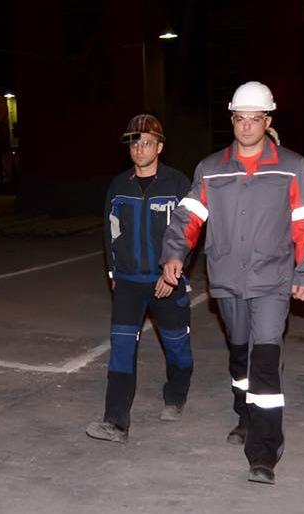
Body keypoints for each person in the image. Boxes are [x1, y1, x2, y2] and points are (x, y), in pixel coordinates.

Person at [160, 81, 304, 485]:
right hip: (228, 279)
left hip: (272, 280)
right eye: (239, 118)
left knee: (264, 358)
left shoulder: (291, 165)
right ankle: (245, 414)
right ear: (232, 119)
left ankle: (264, 451)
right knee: (240, 355)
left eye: (255, 118)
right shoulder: (211, 168)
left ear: (268, 121)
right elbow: (188, 217)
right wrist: (175, 253)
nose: (247, 126)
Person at [86, 114, 193, 443]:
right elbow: (110, 231)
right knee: (121, 348)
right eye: (134, 143)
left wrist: (173, 273)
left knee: (176, 347)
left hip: (167, 281)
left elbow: (189, 232)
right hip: (129, 283)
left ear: (159, 147)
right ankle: (116, 422)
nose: (139, 149)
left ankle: (175, 395)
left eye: (147, 143)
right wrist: (113, 272)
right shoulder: (119, 185)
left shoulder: (177, 184)